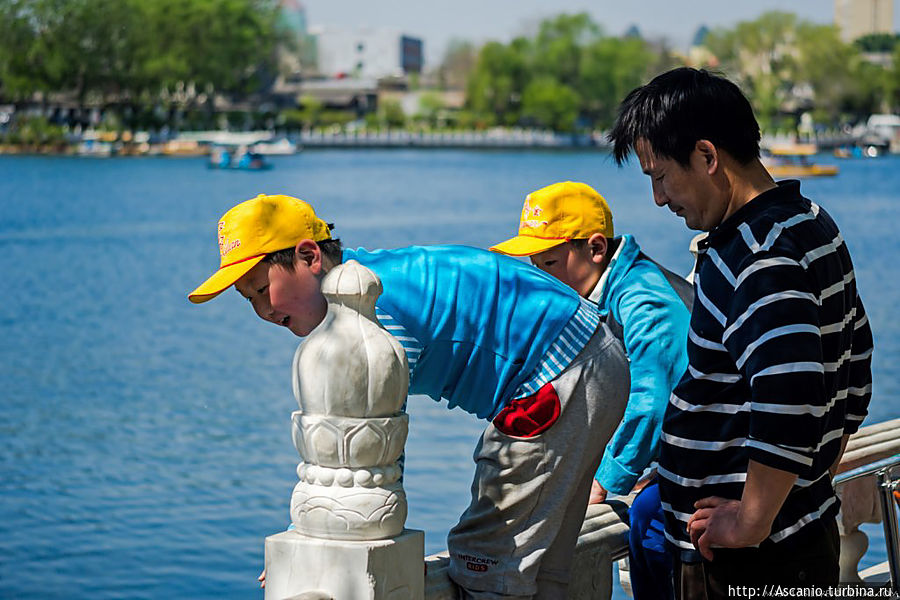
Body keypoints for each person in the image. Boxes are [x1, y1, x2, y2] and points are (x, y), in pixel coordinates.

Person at [188, 193, 630, 599]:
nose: (263, 310)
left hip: (557, 372)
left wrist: (316, 537)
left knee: (487, 556)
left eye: (263, 289)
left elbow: (375, 434)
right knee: (546, 559)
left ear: (309, 256)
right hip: (589, 349)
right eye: (248, 299)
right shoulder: (374, 279)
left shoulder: (369, 311)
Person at [608, 67, 874, 596]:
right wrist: (808, 479)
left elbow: (789, 394)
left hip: (749, 558)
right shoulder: (808, 221)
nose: (660, 199)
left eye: (660, 177)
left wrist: (751, 519)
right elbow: (857, 362)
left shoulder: (757, 254)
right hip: (793, 530)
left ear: (708, 157)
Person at [490, 180, 691, 600]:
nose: (541, 278)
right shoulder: (595, 294)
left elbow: (652, 403)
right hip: (676, 457)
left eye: (549, 263)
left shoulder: (642, 299)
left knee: (650, 523)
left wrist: (603, 484)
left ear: (596, 250)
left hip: (712, 464)